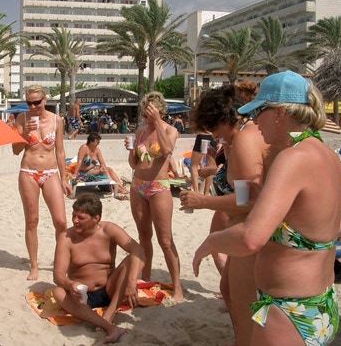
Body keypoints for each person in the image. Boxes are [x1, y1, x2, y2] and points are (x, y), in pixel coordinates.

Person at [191, 71, 341, 346]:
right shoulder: (325, 154)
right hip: (319, 305)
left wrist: (210, 243)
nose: (254, 122)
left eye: (258, 112)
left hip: (288, 310)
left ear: (279, 113)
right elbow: (308, 220)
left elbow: (250, 238)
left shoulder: (292, 158)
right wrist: (263, 195)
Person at [179, 82, 276, 345]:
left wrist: (203, 201)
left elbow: (249, 201)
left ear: (224, 119)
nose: (213, 135)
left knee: (245, 309)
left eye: (213, 127)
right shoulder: (241, 138)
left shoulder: (244, 140)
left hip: (251, 234)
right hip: (245, 231)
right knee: (228, 290)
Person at [52, 193, 145, 343]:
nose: (75, 221)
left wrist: (131, 281)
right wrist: (70, 284)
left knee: (130, 260)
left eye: (81, 218)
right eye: (74, 216)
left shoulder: (109, 230)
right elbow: (58, 275)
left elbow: (138, 251)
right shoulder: (67, 237)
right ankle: (109, 327)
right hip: (82, 297)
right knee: (58, 292)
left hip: (109, 289)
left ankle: (109, 314)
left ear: (96, 218)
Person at [125, 91, 183, 301]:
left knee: (165, 240)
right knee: (144, 236)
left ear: (160, 113)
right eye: (145, 115)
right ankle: (146, 279)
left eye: (150, 115)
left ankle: (177, 286)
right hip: (138, 186)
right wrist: (131, 149)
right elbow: (134, 164)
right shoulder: (141, 131)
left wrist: (157, 122)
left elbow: (166, 151)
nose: (147, 119)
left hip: (159, 187)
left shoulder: (170, 130)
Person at [12, 85, 72, 280]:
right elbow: (15, 150)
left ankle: (61, 261)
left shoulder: (56, 120)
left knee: (61, 221)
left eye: (36, 102)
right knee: (32, 221)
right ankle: (34, 265)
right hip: (28, 172)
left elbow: (60, 151)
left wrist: (64, 178)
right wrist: (24, 134)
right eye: (29, 103)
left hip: (50, 172)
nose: (32, 106)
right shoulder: (22, 118)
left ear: (45, 100)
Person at [72, 132, 130, 199]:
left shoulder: (97, 150)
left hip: (93, 169)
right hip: (84, 171)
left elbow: (102, 163)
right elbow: (79, 162)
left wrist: (103, 167)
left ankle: (120, 186)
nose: (98, 143)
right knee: (105, 171)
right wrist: (75, 174)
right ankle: (117, 188)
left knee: (109, 169)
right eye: (97, 142)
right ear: (91, 141)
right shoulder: (84, 148)